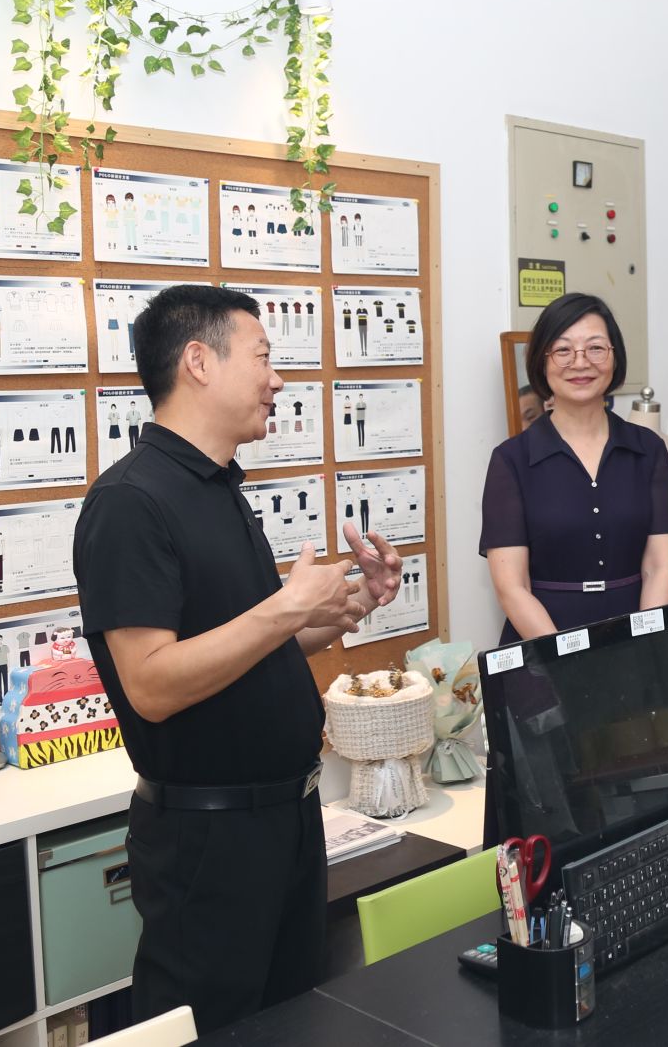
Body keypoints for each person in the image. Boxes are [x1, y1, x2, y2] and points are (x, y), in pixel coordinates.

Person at [73, 284, 402, 1030]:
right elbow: (152, 683)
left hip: (287, 823)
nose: (276, 379)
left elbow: (254, 648)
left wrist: (350, 604)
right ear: (198, 361)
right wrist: (286, 606)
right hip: (209, 843)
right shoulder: (130, 503)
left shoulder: (218, 487)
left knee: (292, 1026)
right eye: (262, 358)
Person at [481, 293, 668, 642]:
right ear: (542, 361)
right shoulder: (511, 460)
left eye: (596, 348)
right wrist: (567, 658)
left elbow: (658, 567)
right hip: (542, 645)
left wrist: (647, 646)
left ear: (615, 357)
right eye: (563, 350)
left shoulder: (649, 450)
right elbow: (512, 587)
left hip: (633, 639)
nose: (580, 362)